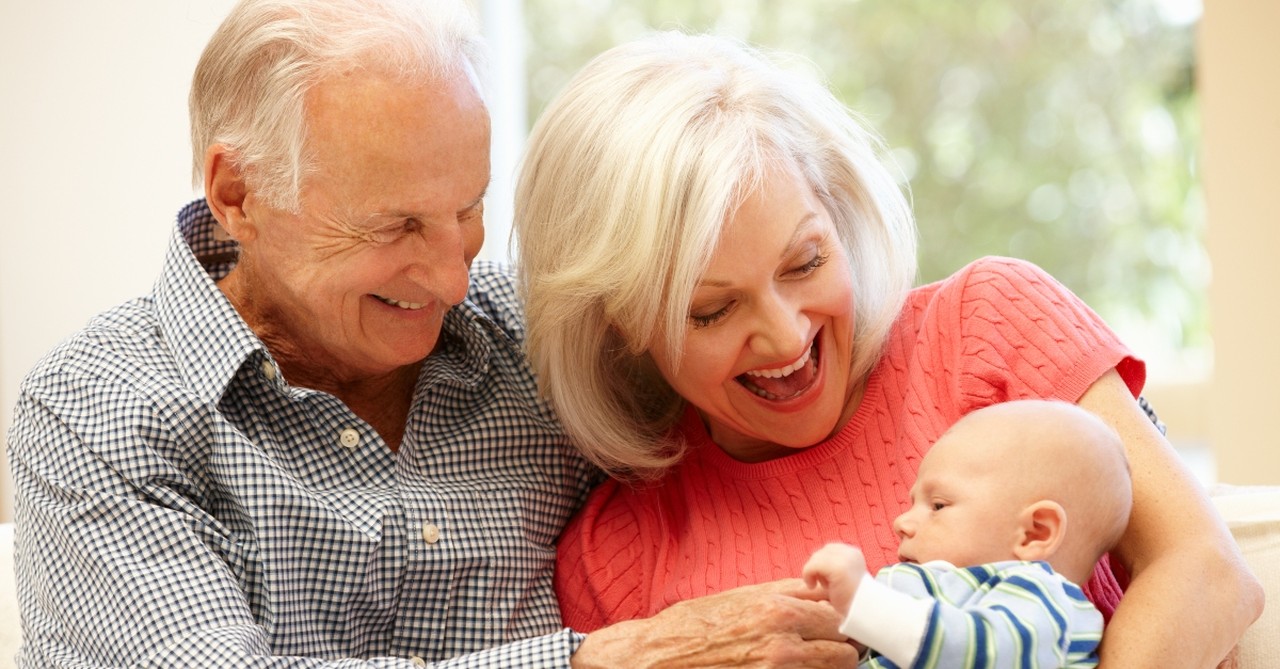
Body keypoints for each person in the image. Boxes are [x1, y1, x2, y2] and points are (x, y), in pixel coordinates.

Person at [9, 3, 853, 667]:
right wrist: (604, 660)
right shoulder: (97, 412)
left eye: (468, 210)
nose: (453, 279)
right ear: (238, 195)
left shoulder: (527, 337)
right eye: (398, 226)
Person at [513, 31, 1263, 667]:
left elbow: (1208, 573)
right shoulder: (615, 555)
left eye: (805, 262)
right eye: (712, 309)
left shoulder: (987, 328)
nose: (786, 335)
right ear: (622, 324)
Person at [803, 399, 1134, 668]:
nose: (901, 521)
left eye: (938, 505)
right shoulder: (937, 589)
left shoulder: (1045, 603)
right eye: (913, 502)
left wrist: (864, 604)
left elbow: (977, 653)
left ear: (1034, 533)